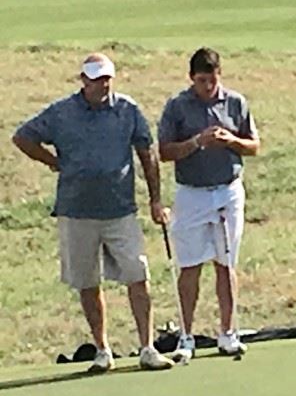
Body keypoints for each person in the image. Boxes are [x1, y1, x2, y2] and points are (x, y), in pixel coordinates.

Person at [12, 53, 175, 373]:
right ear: (83, 80)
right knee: (88, 282)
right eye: (96, 78)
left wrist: (156, 199)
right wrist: (52, 162)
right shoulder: (62, 113)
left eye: (107, 78)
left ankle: (147, 348)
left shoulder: (127, 110)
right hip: (77, 211)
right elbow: (22, 137)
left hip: (120, 210)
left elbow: (147, 153)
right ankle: (102, 350)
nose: (103, 84)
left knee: (138, 275)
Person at [158, 47, 260, 359]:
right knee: (189, 265)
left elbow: (254, 146)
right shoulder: (177, 106)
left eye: (213, 80)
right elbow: (164, 151)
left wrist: (232, 142)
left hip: (228, 189)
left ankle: (228, 333)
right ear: (192, 78)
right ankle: (186, 337)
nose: (208, 86)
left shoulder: (235, 102)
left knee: (225, 262)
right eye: (202, 80)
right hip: (192, 192)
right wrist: (197, 142)